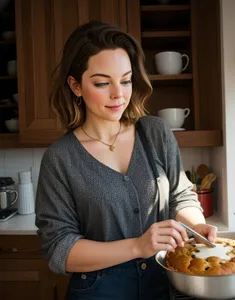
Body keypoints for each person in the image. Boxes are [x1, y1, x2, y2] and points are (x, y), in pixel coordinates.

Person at [35, 20, 218, 300]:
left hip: (162, 283)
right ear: (75, 86)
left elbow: (181, 197)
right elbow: (59, 249)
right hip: (97, 291)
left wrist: (196, 225)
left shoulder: (155, 132)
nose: (118, 94)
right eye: (101, 83)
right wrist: (138, 246)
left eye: (126, 80)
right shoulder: (60, 158)